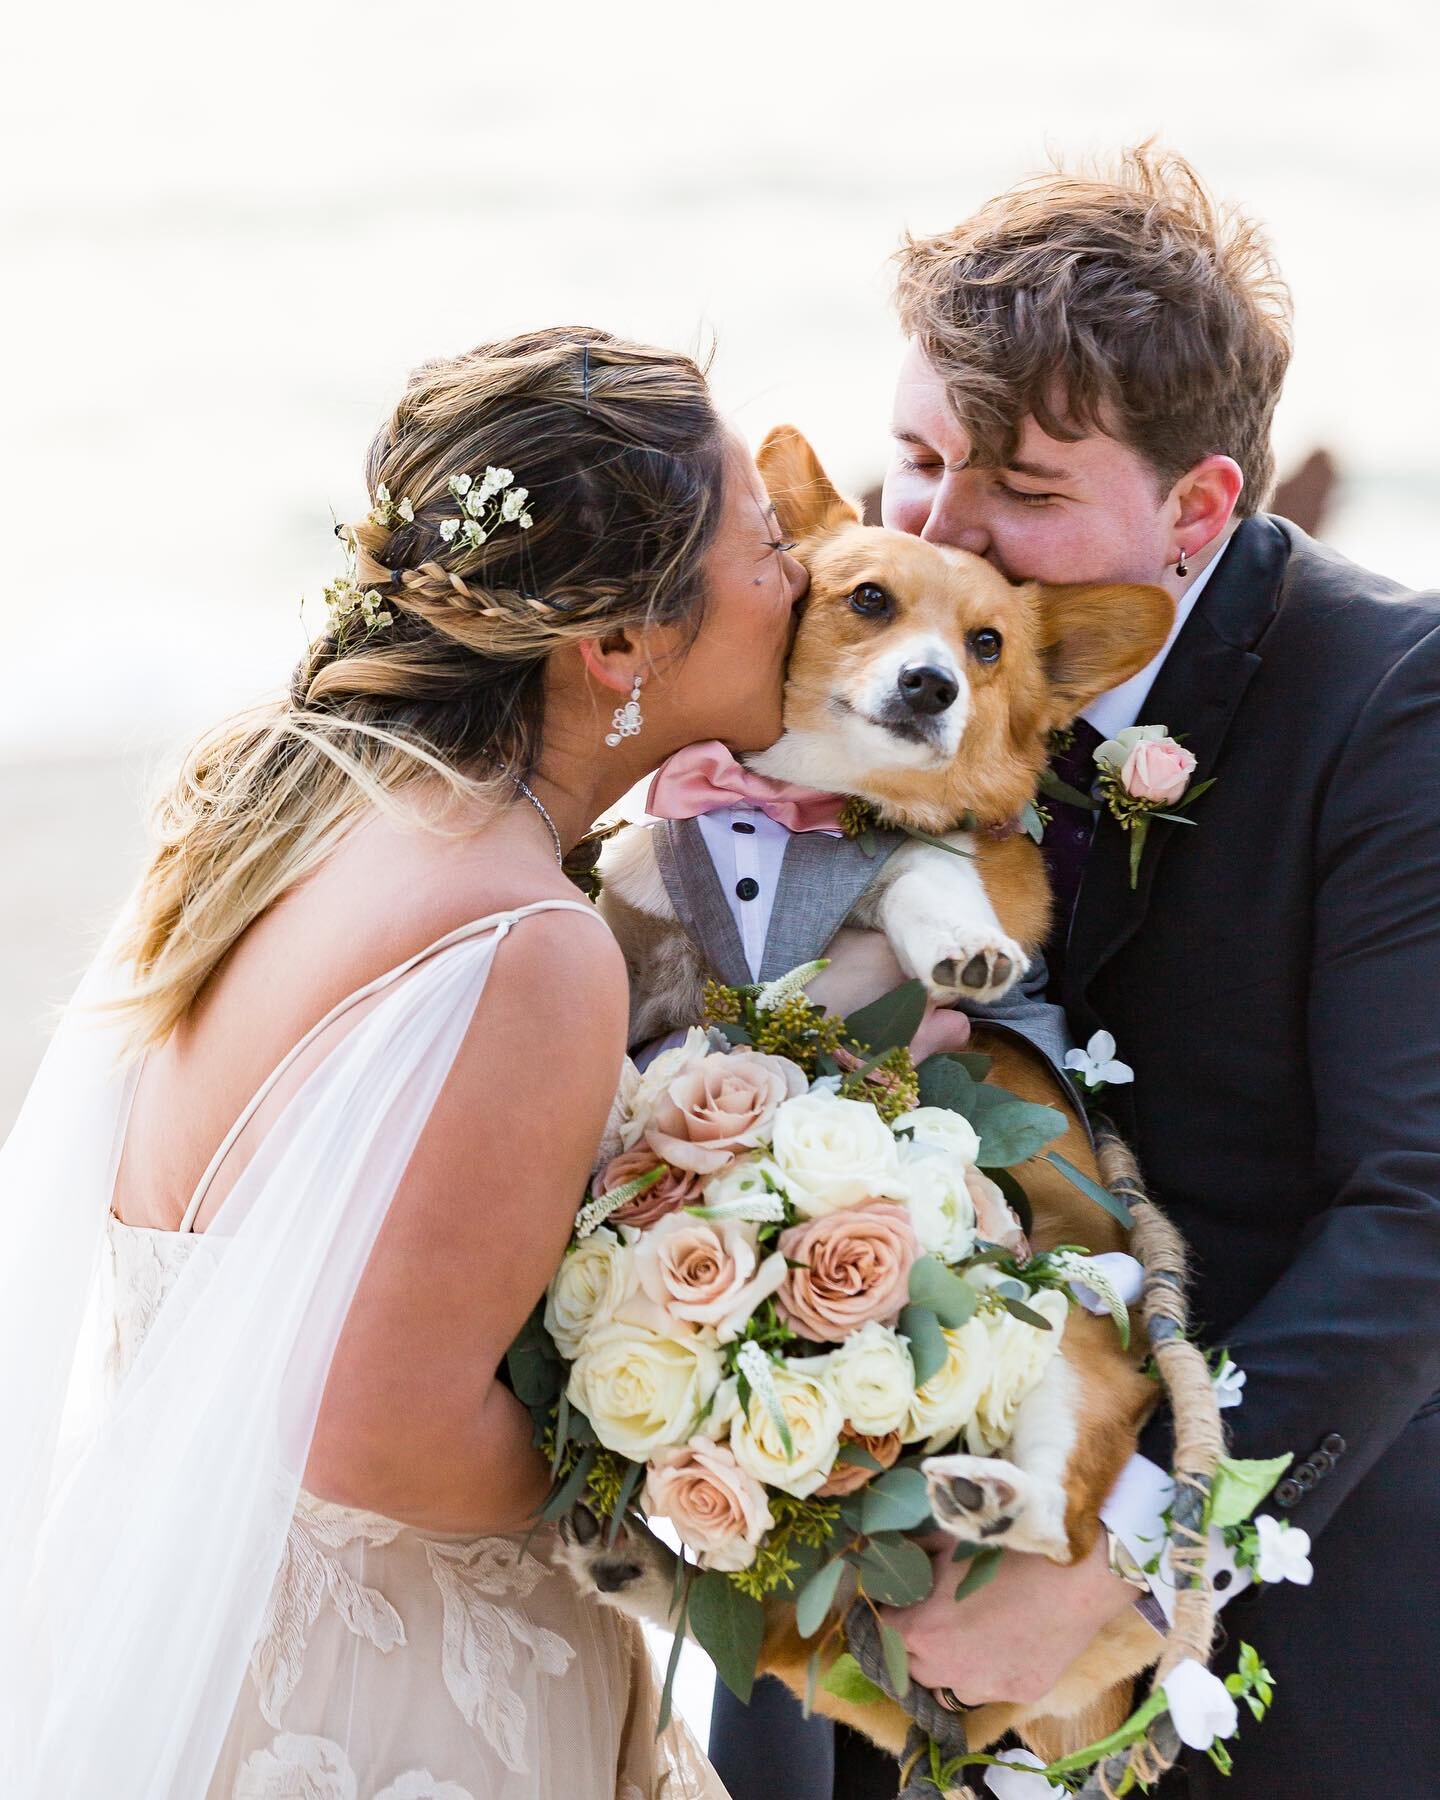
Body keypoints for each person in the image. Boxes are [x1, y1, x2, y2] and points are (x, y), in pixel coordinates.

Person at [712, 147, 1440, 1799]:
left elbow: (1420, 1209)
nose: (943, 530)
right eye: (916, 459)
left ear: (1198, 509)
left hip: (1251, 1689)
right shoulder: (843, 638)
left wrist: (1126, 1553)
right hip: (824, 1653)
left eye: (1026, 492)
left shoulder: (1398, 700)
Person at [0, 324, 811, 1797]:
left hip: (198, 1626)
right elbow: (380, 1430)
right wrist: (703, 1459)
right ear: (618, 646)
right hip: (396, 1704)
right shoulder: (523, 942)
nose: (802, 571)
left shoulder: (288, 805)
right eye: (767, 541)